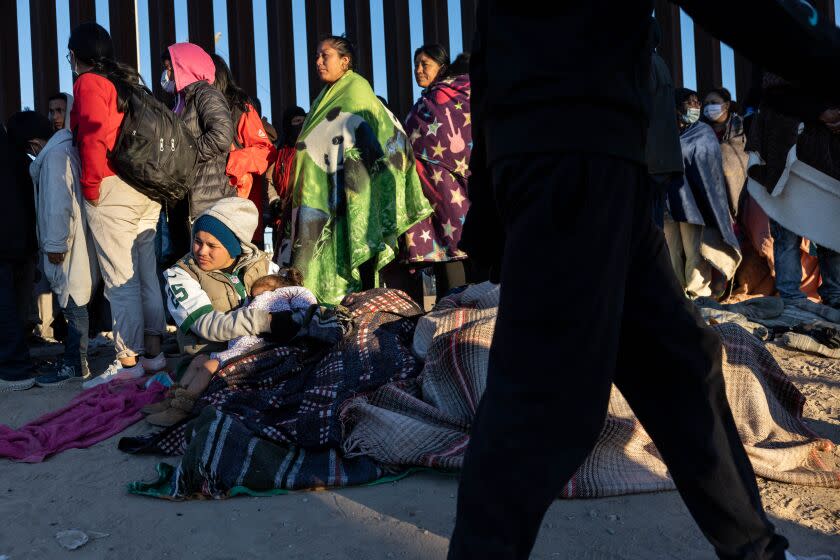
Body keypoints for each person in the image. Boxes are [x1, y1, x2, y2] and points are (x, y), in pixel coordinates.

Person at [449, 2, 840, 559]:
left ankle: (757, 553)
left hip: (592, 154)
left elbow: (491, 47)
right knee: (547, 398)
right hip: (577, 149)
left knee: (678, 367)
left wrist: (491, 196)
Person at [285, 35, 432, 305]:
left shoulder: (356, 90)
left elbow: (380, 135)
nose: (318, 62)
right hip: (322, 197)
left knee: (357, 261)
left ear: (345, 61)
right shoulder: (323, 98)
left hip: (356, 194)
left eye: (324, 55)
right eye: (316, 56)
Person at [67, 22, 167, 388]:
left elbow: (92, 137)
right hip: (145, 188)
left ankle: (128, 362)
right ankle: (154, 356)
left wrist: (91, 189)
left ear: (76, 56)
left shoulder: (89, 83)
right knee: (144, 276)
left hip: (111, 188)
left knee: (119, 282)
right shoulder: (128, 83)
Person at [145, 267, 314, 426]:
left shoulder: (290, 293)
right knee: (199, 359)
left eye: (259, 295)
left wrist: (291, 322)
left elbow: (310, 308)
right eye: (253, 297)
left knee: (208, 366)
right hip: (239, 347)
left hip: (259, 348)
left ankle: (182, 409)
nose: (255, 299)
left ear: (275, 287)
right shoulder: (252, 302)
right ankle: (172, 399)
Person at [748, 72, 840, 309]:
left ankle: (835, 295)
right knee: (786, 234)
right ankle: (791, 298)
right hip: (789, 160)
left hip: (826, 160)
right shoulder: (778, 69)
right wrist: (818, 110)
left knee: (830, 232)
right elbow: (773, 93)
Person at [27, 98, 100, 386]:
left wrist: (55, 244)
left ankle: (75, 364)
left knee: (73, 302)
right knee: (74, 300)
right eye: (51, 110)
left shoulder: (56, 156)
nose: (56, 116)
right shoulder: (64, 149)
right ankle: (74, 358)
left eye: (61, 110)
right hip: (72, 241)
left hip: (66, 244)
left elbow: (58, 205)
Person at [163, 197, 279, 357]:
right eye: (198, 241)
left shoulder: (262, 266)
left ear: (235, 248)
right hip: (203, 362)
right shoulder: (181, 274)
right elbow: (205, 324)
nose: (201, 251)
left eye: (212, 245)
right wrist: (263, 322)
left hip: (257, 353)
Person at [403, 45, 472, 298]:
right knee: (448, 268)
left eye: (425, 64)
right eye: (416, 64)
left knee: (460, 259)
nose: (418, 69)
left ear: (442, 67)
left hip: (458, 189)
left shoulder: (452, 97)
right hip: (434, 194)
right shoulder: (424, 102)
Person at [663, 88, 741, 298]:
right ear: (677, 106)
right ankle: (676, 294)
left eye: (698, 102)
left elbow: (709, 171)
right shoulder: (662, 132)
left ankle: (698, 294)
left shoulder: (703, 132)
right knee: (670, 252)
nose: (696, 106)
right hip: (668, 203)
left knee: (694, 253)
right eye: (690, 102)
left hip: (693, 205)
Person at [162, 43, 234, 261]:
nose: (167, 74)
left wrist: (185, 156)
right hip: (182, 199)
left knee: (206, 263)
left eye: (171, 68)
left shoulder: (206, 94)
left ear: (186, 66)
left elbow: (221, 135)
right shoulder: (180, 101)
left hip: (205, 197)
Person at [210, 54, 277, 249]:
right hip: (205, 207)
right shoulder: (189, 107)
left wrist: (228, 162)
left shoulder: (240, 108)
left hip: (239, 206)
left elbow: (265, 152)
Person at [0, 120, 37, 391]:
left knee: (4, 305)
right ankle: (17, 363)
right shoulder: (20, 158)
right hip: (20, 242)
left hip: (4, 242)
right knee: (13, 303)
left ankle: (15, 369)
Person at [646, 20, 684, 229]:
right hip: (662, 162)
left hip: (648, 161)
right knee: (654, 228)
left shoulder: (643, 65)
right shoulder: (659, 64)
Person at [266, 106, 307, 262]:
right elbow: (269, 181)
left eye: (303, 121)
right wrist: (275, 202)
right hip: (282, 218)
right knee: (284, 263)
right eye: (296, 121)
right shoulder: (278, 152)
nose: (300, 126)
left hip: (306, 215)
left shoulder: (311, 148)